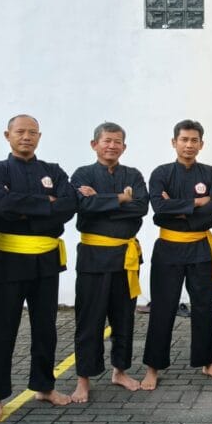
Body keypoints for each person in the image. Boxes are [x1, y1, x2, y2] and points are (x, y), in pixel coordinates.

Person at [0, 115, 77, 421]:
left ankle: (44, 386)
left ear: (39, 136)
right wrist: (47, 204)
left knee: (46, 327)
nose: (26, 137)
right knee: (2, 330)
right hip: (7, 260)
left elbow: (69, 205)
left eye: (32, 132)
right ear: (7, 135)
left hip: (45, 260)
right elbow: (2, 206)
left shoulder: (53, 170)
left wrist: (24, 207)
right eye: (20, 132)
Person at [141, 120, 212, 388]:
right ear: (174, 142)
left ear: (201, 144)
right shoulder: (161, 173)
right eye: (184, 140)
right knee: (163, 306)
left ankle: (207, 362)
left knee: (203, 305)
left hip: (200, 246)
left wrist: (177, 208)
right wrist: (196, 202)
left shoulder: (211, 173)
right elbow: (158, 207)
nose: (189, 145)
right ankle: (153, 367)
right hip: (168, 247)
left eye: (194, 140)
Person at [70, 122, 149, 402]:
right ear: (95, 144)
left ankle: (120, 371)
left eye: (117, 142)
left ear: (124, 147)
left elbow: (141, 207)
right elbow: (82, 206)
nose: (112, 146)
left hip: (125, 258)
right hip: (93, 257)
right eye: (107, 141)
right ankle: (83, 379)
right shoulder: (82, 174)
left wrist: (101, 202)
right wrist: (121, 199)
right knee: (89, 319)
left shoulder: (133, 174)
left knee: (123, 317)